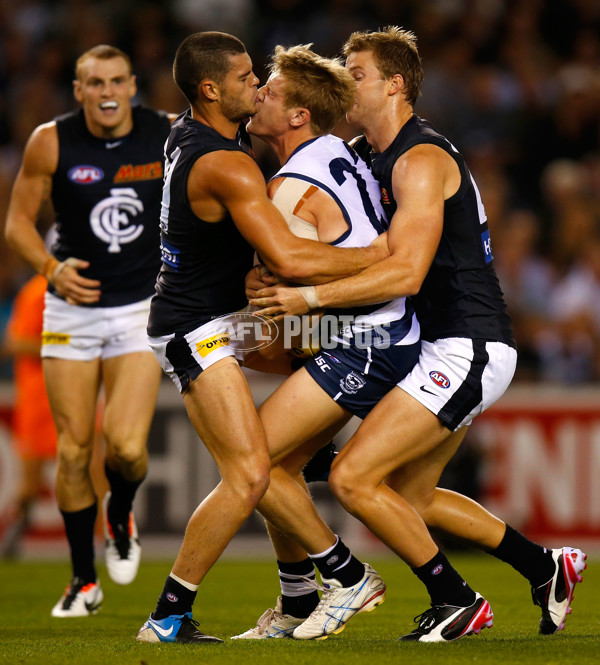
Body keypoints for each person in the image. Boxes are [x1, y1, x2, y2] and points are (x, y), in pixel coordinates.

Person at [250, 27, 586, 641]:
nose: (344, 82)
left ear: (395, 83)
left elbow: (405, 269)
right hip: (433, 341)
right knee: (409, 494)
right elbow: (366, 248)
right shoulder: (374, 156)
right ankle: (545, 566)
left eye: (357, 73)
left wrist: (309, 297)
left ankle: (454, 599)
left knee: (354, 477)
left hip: (468, 344)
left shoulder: (421, 158)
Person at [135, 32, 387, 645]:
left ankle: (299, 593)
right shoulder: (229, 163)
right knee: (251, 471)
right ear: (211, 90)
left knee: (271, 457)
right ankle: (344, 573)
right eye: (248, 77)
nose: (259, 84)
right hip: (198, 328)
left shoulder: (187, 134)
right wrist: (387, 258)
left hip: (216, 317)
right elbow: (287, 257)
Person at [221, 43, 422, 641]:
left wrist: (224, 333)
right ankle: (299, 601)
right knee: (274, 468)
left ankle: (347, 576)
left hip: (365, 334)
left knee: (250, 461)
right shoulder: (336, 153)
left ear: (298, 115)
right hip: (363, 328)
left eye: (272, 92)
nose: (259, 96)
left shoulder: (288, 188)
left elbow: (301, 280)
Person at [4, 45, 176, 617]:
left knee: (125, 448)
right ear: (78, 90)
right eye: (94, 82)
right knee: (74, 451)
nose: (106, 91)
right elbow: (17, 225)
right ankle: (83, 581)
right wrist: (52, 270)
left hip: (138, 310)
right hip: (69, 311)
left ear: (133, 86)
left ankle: (120, 512)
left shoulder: (169, 134)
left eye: (117, 80)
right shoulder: (50, 140)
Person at [0, 273, 56, 559]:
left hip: (76, 394)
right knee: (30, 483)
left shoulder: (90, 287)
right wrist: (64, 343)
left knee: (92, 472)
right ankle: (14, 533)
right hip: (38, 398)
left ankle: (97, 547)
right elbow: (15, 342)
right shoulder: (37, 291)